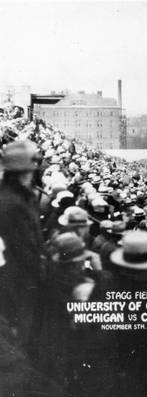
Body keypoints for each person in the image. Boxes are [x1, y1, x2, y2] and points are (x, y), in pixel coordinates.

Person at [0, 140, 45, 352]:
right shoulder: (11, 202)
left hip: (22, 273)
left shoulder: (24, 196)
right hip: (18, 277)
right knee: (23, 332)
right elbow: (23, 246)